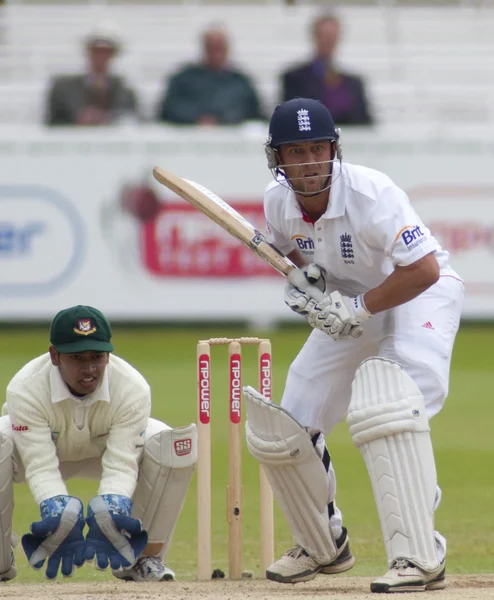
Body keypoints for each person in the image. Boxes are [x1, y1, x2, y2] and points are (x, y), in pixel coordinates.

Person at [243, 97, 463, 593]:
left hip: (419, 295)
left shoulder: (371, 192)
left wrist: (359, 308)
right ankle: (321, 543)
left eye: (317, 149)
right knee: (288, 425)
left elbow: (424, 269)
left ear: (334, 148)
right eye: (295, 152)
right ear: (276, 159)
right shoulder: (277, 201)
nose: (308, 163)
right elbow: (297, 253)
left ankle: (420, 556)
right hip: (353, 302)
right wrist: (312, 287)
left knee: (390, 409)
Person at [0, 305, 197, 582]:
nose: (90, 368)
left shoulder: (132, 388)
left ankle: (141, 557)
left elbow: (121, 463)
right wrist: (56, 511)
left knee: (172, 444)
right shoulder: (25, 388)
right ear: (54, 356)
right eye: (77, 357)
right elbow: (39, 465)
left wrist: (112, 510)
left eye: (98, 356)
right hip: (35, 454)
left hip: (100, 455)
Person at [157, 25, 264, 125]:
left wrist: (223, 120)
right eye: (212, 48)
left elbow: (253, 112)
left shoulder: (241, 82)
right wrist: (197, 119)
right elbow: (170, 109)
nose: (216, 54)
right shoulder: (183, 80)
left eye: (220, 48)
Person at [281, 14, 373, 125]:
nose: (328, 41)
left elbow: (364, 121)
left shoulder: (354, 83)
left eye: (332, 36)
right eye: (324, 36)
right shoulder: (294, 78)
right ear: (314, 37)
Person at [45, 23, 138, 126]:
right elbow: (53, 123)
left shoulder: (125, 92)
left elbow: (132, 119)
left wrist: (108, 119)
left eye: (105, 52)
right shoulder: (62, 89)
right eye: (96, 51)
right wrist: (77, 120)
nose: (100, 57)